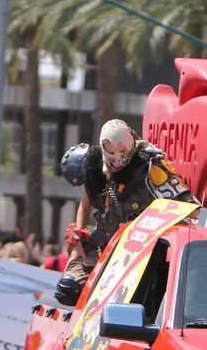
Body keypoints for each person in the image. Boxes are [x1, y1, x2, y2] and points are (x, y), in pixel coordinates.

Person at [54, 119, 195, 305]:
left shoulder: (151, 169)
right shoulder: (95, 167)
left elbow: (187, 205)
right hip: (103, 243)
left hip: (138, 252)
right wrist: (78, 236)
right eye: (111, 150)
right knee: (68, 289)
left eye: (122, 150)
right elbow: (85, 202)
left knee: (138, 301)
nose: (117, 158)